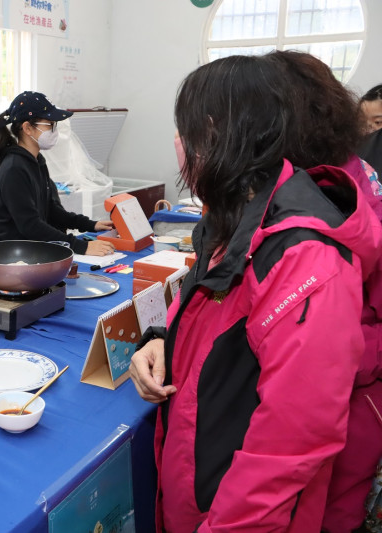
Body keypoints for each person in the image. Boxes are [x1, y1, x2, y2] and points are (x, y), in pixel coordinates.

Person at [128, 55, 382, 532]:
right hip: (196, 479)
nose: (180, 147)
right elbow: (212, 323)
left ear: (223, 134)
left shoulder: (307, 260)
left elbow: (285, 452)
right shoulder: (229, 219)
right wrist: (164, 341)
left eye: (189, 131)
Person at [262, 50, 382, 532]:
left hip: (346, 394)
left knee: (328, 511)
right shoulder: (316, 176)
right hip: (325, 384)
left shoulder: (342, 191)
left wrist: (325, 358)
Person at [0, 91, 115, 255]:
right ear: (27, 128)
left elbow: (52, 210)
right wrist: (80, 246)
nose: (55, 131)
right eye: (50, 125)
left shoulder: (37, 161)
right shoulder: (14, 168)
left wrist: (90, 225)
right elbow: (30, 225)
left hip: (33, 250)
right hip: (12, 256)